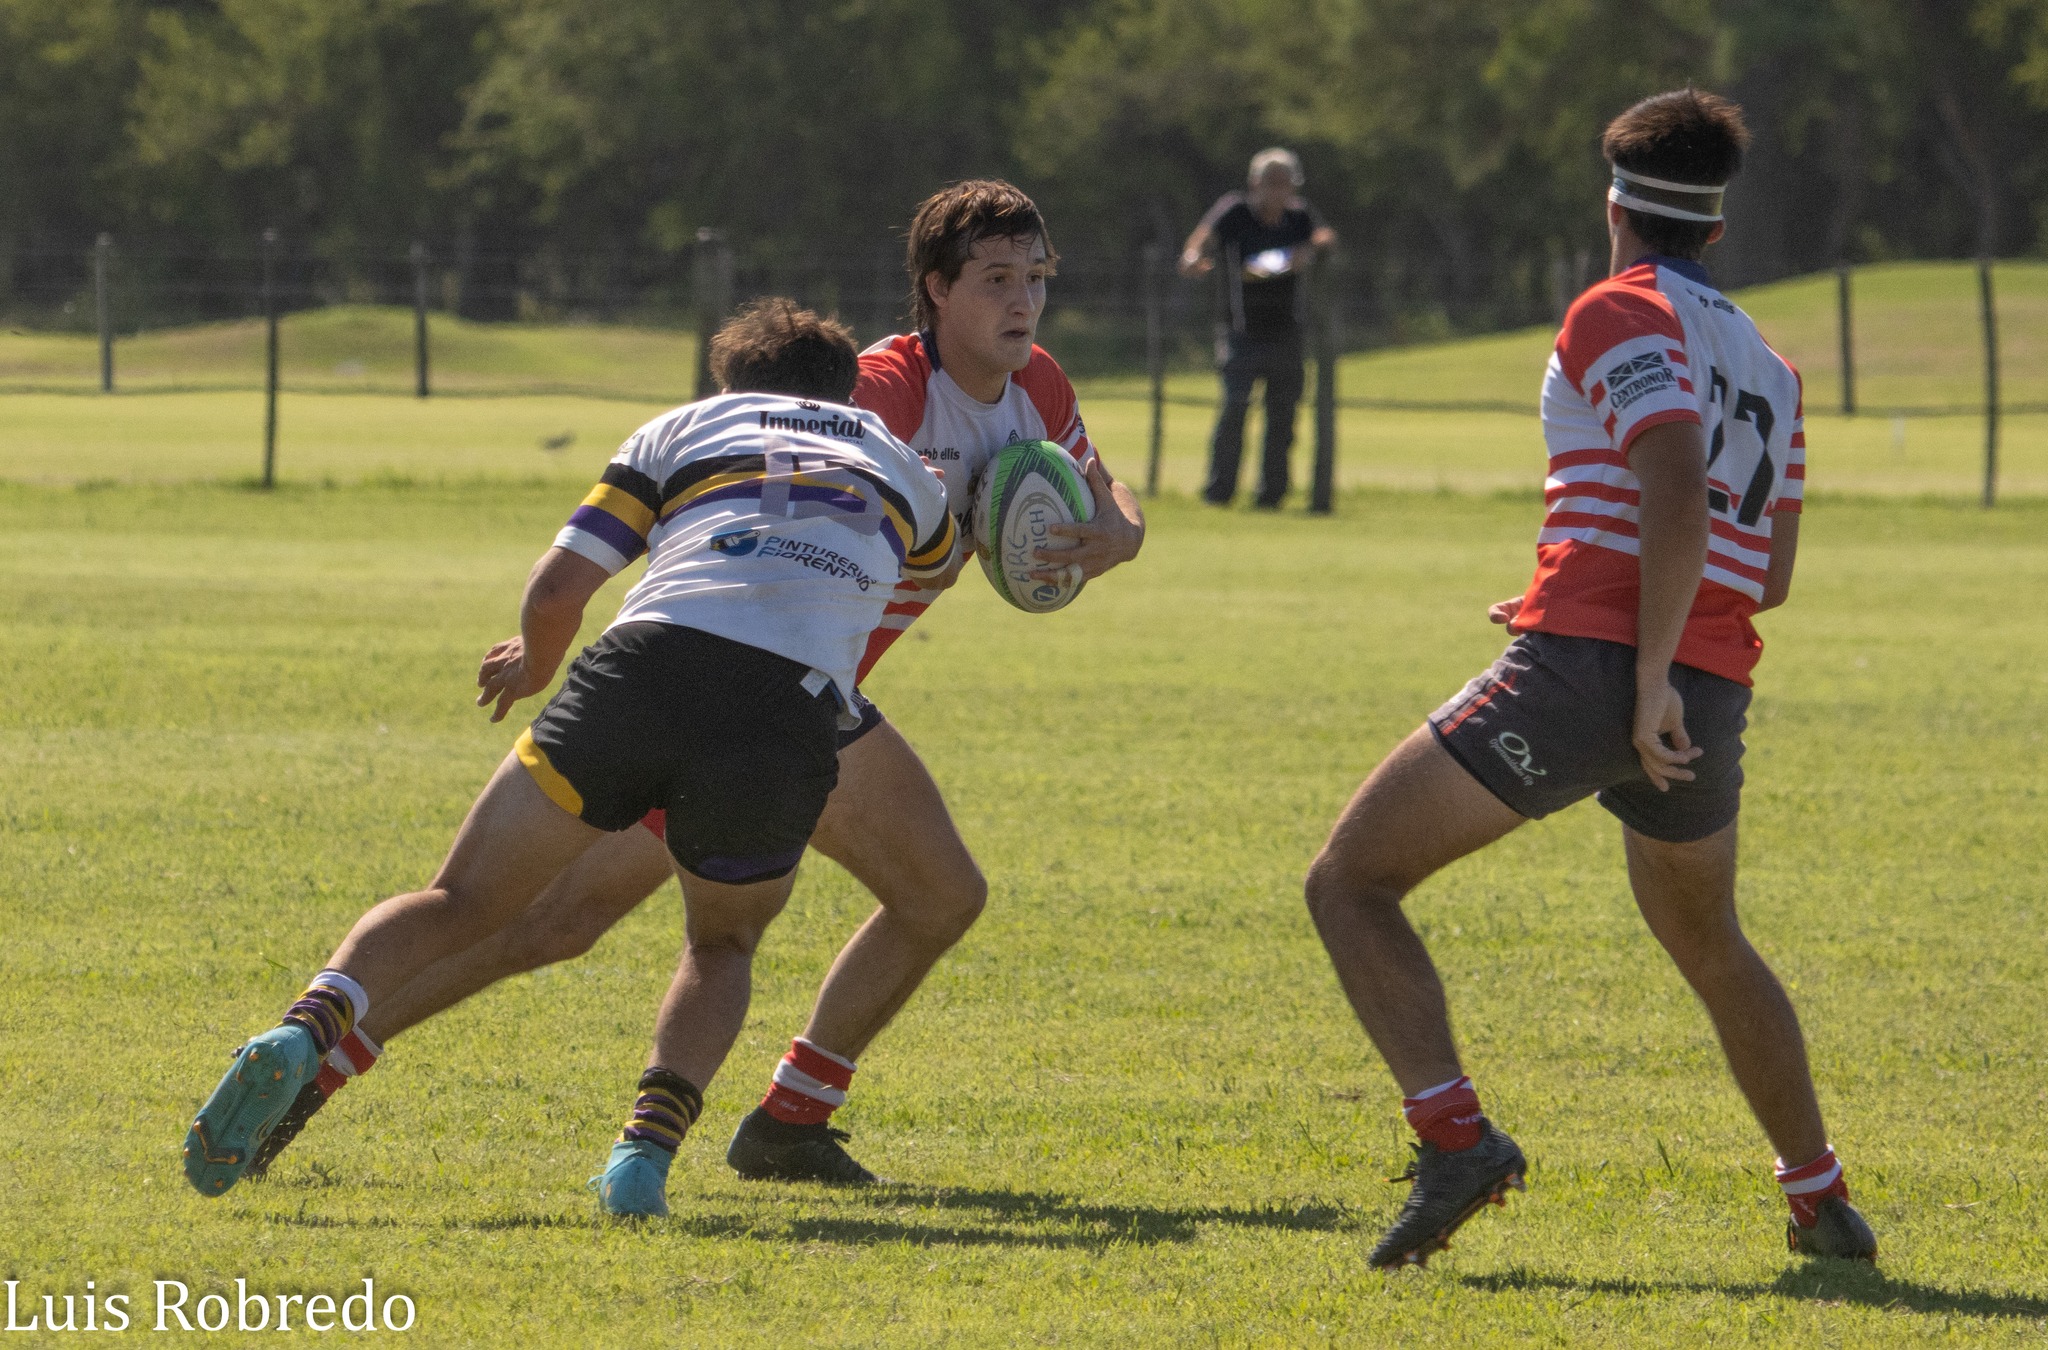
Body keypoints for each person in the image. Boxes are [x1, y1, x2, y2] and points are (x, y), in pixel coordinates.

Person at [234, 181, 1148, 1210]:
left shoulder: (1040, 389)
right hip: (758, 684)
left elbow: (1101, 485)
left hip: (807, 697)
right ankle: (305, 1078)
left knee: (936, 894)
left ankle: (791, 1121)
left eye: (1036, 279)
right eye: (996, 281)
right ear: (934, 292)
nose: (1022, 301)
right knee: (547, 923)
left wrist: (1119, 531)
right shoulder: (882, 394)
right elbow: (755, 491)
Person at [183, 297, 959, 1202]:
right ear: (851, 393)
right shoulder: (906, 468)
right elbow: (928, 567)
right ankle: (642, 1158)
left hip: (646, 670)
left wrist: (536, 663)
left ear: (730, 385)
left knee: (461, 898)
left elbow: (558, 588)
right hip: (787, 716)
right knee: (722, 942)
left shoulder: (684, 427)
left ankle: (306, 1027)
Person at [1301, 89, 1877, 1267]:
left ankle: (1455, 1140)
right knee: (1711, 945)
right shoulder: (1769, 365)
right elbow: (1761, 572)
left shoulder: (1612, 311)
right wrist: (1641, 643)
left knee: (1348, 883)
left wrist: (1635, 666)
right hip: (1704, 682)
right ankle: (1817, 1200)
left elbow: (1669, 486)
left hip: (1608, 673)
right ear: (1713, 231)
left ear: (1610, 207)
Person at [1179, 148, 1336, 508]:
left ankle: (1272, 496)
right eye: (1270, 183)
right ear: (1255, 183)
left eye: (1285, 184)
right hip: (1240, 332)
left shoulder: (1299, 218)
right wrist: (1192, 258)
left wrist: (1310, 250)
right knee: (1234, 409)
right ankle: (1219, 493)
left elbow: (1327, 237)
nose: (1277, 191)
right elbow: (1201, 240)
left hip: (1287, 333)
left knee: (1282, 417)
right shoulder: (1235, 211)